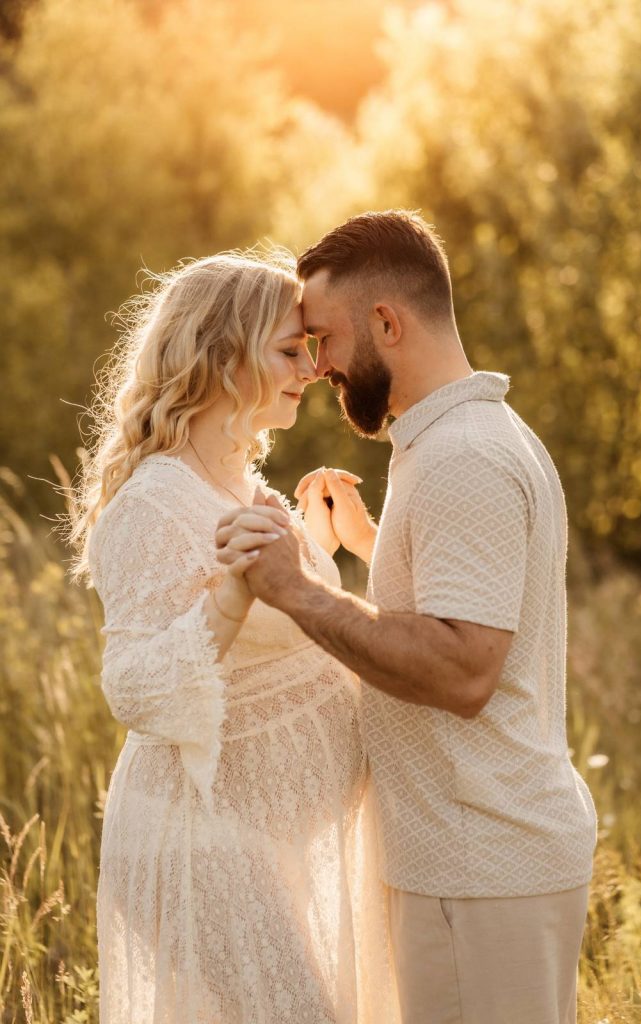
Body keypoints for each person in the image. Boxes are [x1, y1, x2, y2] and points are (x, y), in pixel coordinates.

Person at [219, 211, 598, 1024]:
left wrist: (297, 588)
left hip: (480, 863)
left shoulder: (462, 457)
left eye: (320, 337)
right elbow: (470, 606)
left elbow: (463, 670)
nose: (315, 364)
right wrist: (366, 544)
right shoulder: (465, 437)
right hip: (484, 858)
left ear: (386, 322)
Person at [69, 251, 400, 1024]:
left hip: (266, 841)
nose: (313, 370)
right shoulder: (153, 502)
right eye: (289, 351)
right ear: (220, 358)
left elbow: (289, 629)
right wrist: (230, 592)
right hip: (201, 843)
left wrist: (331, 546)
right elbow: (136, 687)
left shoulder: (247, 489)